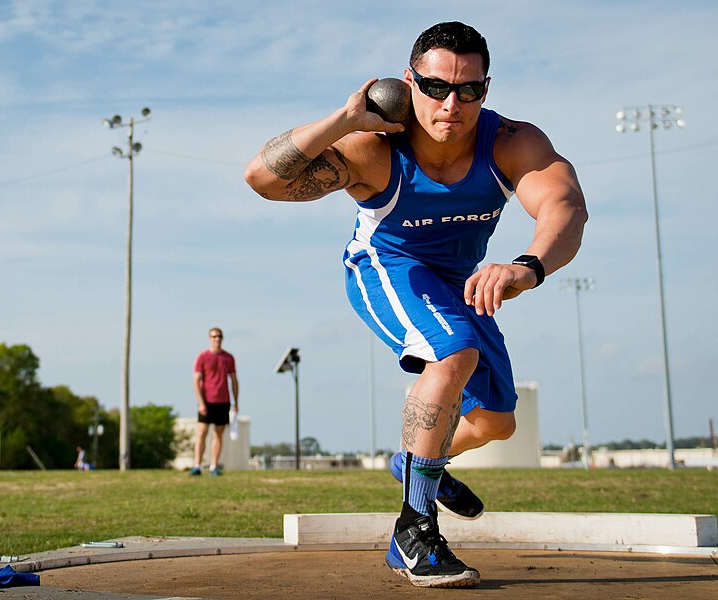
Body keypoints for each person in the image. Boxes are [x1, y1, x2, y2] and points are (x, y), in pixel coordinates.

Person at [244, 21, 586, 588]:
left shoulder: (510, 143)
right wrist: (344, 118)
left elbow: (566, 206)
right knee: (452, 354)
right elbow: (262, 178)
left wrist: (528, 265)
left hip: (459, 281)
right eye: (435, 87)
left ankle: (412, 463)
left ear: (486, 88)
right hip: (388, 267)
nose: (451, 103)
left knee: (497, 423)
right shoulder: (373, 150)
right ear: (409, 82)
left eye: (469, 90)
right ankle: (414, 532)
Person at [191, 327, 239, 476]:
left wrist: (236, 402)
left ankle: (213, 466)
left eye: (219, 336)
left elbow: (234, 381)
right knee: (202, 433)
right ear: (209, 338)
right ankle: (197, 466)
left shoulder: (228, 358)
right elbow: (196, 381)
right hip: (206, 401)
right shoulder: (203, 357)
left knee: (218, 434)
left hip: (223, 401)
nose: (217, 339)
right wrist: (201, 403)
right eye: (214, 336)